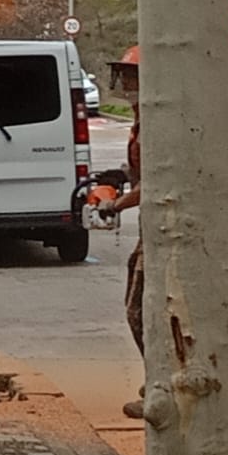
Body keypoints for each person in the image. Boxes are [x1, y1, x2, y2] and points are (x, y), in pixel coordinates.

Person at [101, 47, 145, 418]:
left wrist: (115, 205)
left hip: (161, 234)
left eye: (133, 76)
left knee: (140, 310)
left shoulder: (157, 123)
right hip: (152, 231)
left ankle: (160, 383)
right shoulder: (139, 121)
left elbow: (156, 181)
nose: (126, 83)